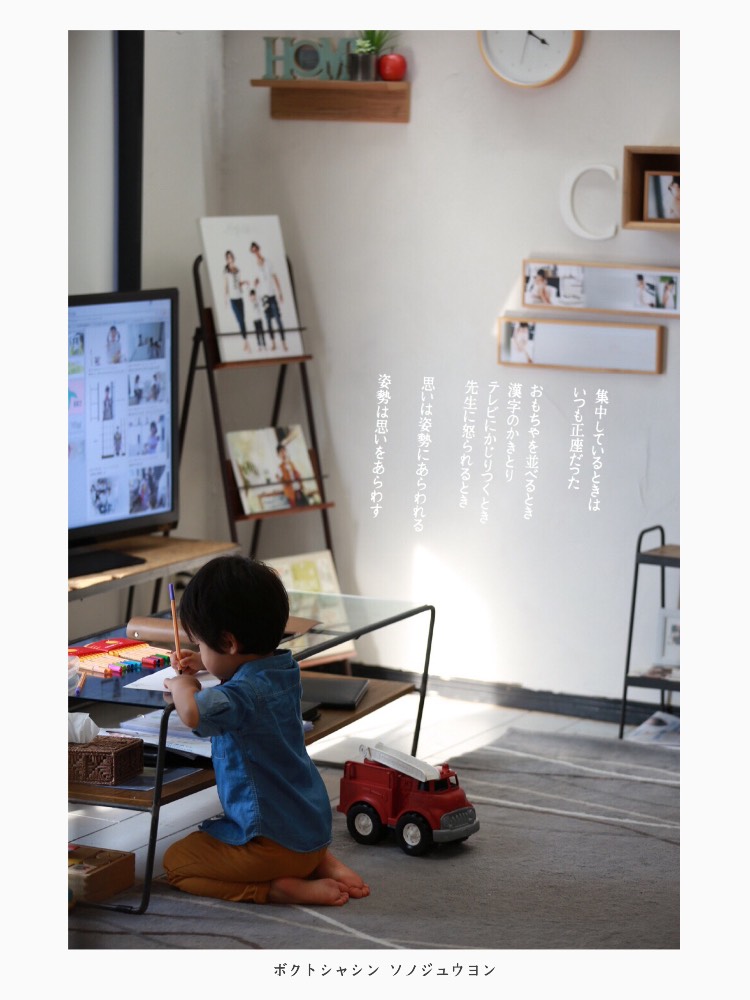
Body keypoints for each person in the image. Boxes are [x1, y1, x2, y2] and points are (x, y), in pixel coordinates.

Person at [162, 556, 370, 906]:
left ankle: (276, 888)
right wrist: (205, 661)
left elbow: (193, 713)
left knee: (176, 864)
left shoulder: (240, 696)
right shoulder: (283, 669)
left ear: (228, 643)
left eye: (200, 645)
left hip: (272, 845)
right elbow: (242, 670)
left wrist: (184, 685)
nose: (198, 652)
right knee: (283, 820)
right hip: (312, 831)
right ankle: (320, 862)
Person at [249, 241, 287, 351]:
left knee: (278, 320)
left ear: (259, 249)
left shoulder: (268, 262)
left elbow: (275, 277)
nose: (255, 252)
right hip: (263, 297)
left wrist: (280, 292)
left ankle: (283, 342)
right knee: (268, 321)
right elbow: (256, 280)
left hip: (272, 295)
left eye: (256, 249)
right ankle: (273, 343)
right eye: (253, 251)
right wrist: (256, 282)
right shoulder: (254, 266)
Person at [224, 250, 248, 335]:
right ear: (227, 259)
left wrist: (244, 282)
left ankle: (245, 338)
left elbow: (238, 283)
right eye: (228, 257)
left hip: (239, 297)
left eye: (231, 256)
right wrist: (225, 298)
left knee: (243, 319)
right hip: (233, 299)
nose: (230, 258)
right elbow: (226, 286)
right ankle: (244, 338)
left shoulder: (238, 269)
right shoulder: (226, 272)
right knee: (239, 319)